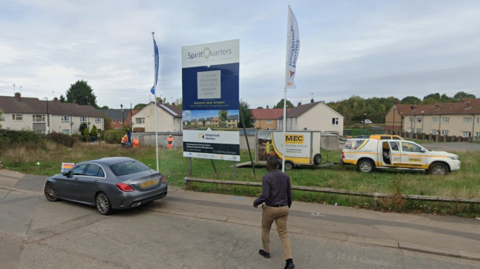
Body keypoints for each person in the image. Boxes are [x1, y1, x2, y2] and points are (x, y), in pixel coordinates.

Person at [253, 157, 295, 269]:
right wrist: (287, 206)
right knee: (284, 234)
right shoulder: (285, 176)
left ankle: (266, 251)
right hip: (284, 208)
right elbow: (289, 194)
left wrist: (256, 202)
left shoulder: (266, 177)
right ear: (277, 165)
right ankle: (289, 260)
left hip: (271, 208)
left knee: (265, 229)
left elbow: (265, 195)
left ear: (269, 166)